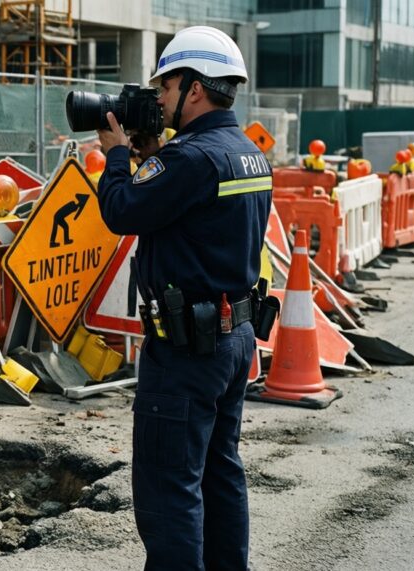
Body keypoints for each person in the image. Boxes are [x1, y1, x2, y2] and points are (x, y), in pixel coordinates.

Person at [95, 26, 271, 570]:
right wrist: (154, 156)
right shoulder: (248, 153)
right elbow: (191, 216)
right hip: (233, 338)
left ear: (195, 88)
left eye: (165, 88)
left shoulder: (190, 159)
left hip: (186, 351)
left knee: (169, 489)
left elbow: (122, 211)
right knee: (219, 473)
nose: (158, 100)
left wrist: (118, 157)